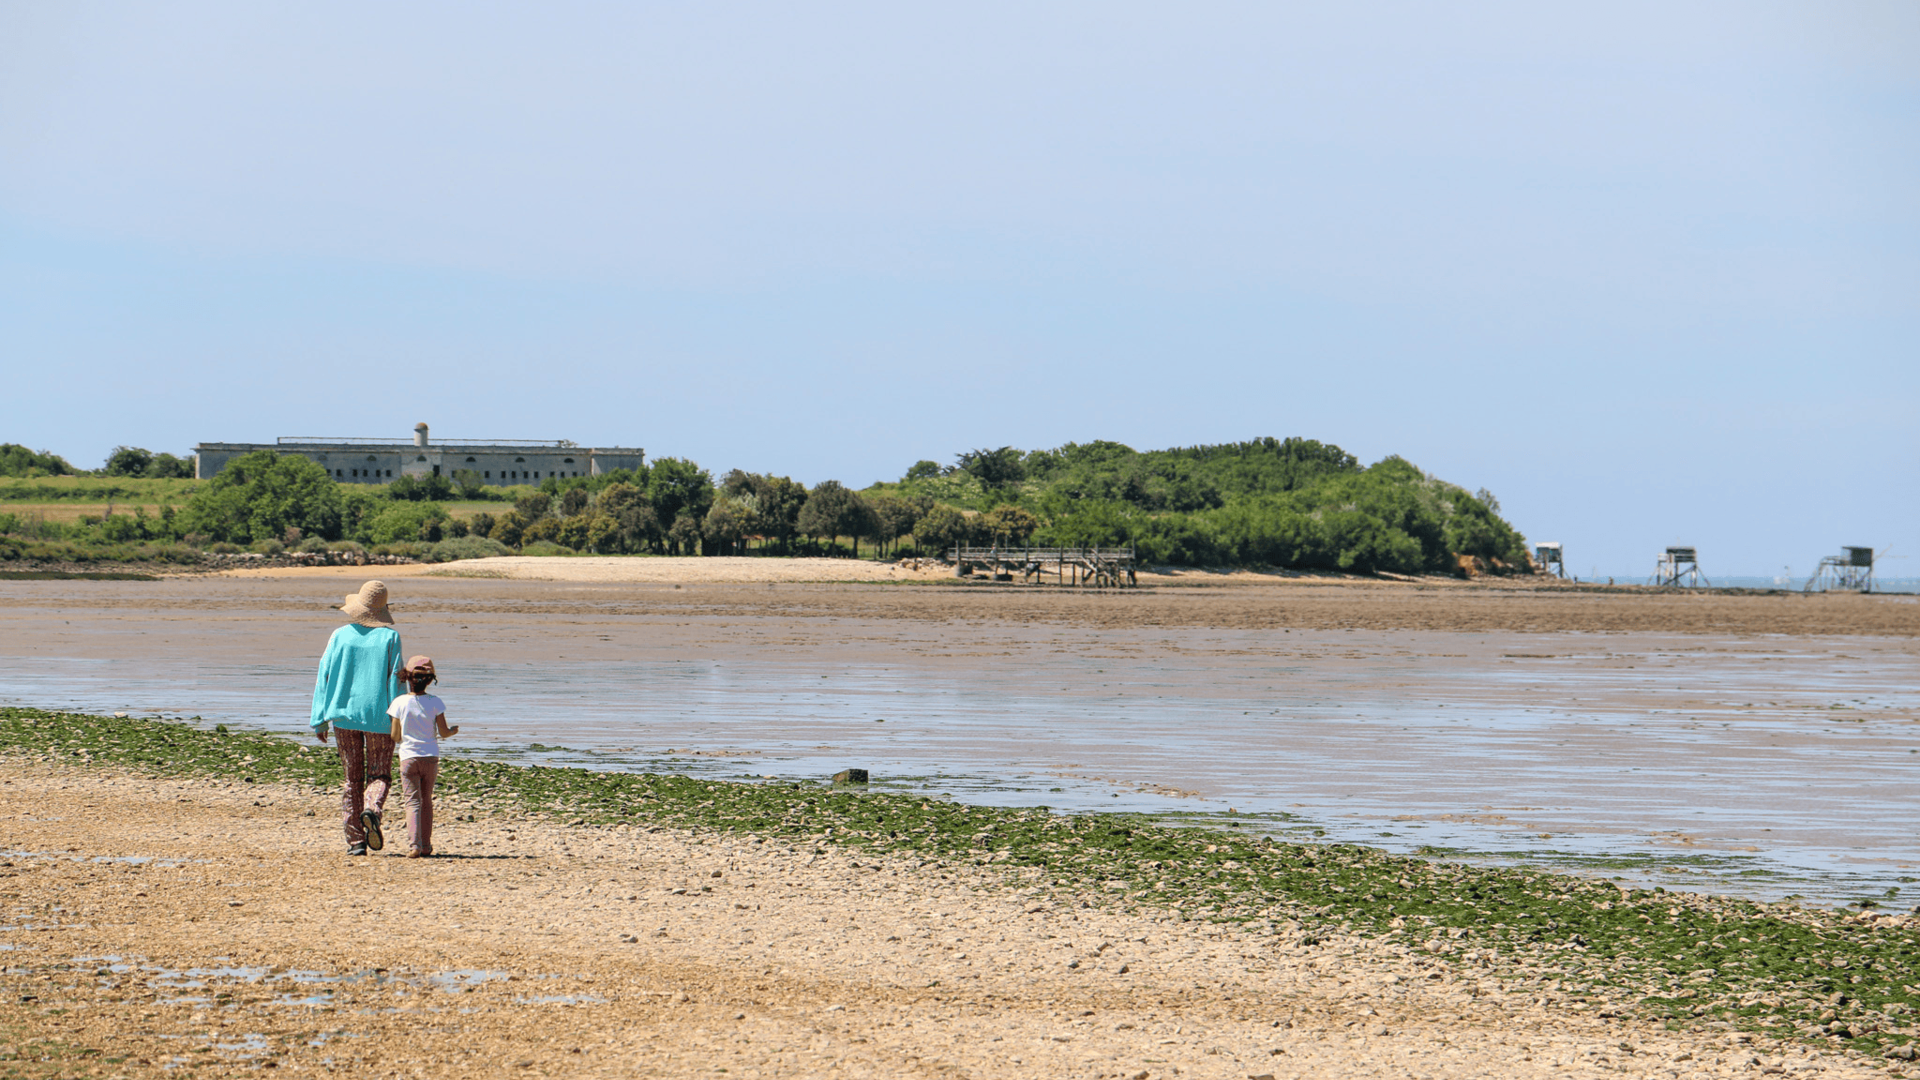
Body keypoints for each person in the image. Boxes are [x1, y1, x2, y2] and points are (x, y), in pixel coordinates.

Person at [311, 580, 404, 855]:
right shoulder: (391, 637)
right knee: (380, 773)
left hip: (342, 715)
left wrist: (319, 718)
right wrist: (399, 720)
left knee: (352, 778)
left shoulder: (339, 635)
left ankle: (355, 842)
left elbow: (323, 676)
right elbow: (395, 681)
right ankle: (371, 808)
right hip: (379, 717)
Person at [388, 656, 459, 858]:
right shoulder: (435, 702)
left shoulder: (399, 702)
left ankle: (414, 845)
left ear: (407, 678)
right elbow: (444, 732)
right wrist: (453, 731)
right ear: (430, 680)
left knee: (412, 802)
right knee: (426, 800)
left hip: (408, 757)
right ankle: (426, 845)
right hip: (430, 756)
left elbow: (395, 736)